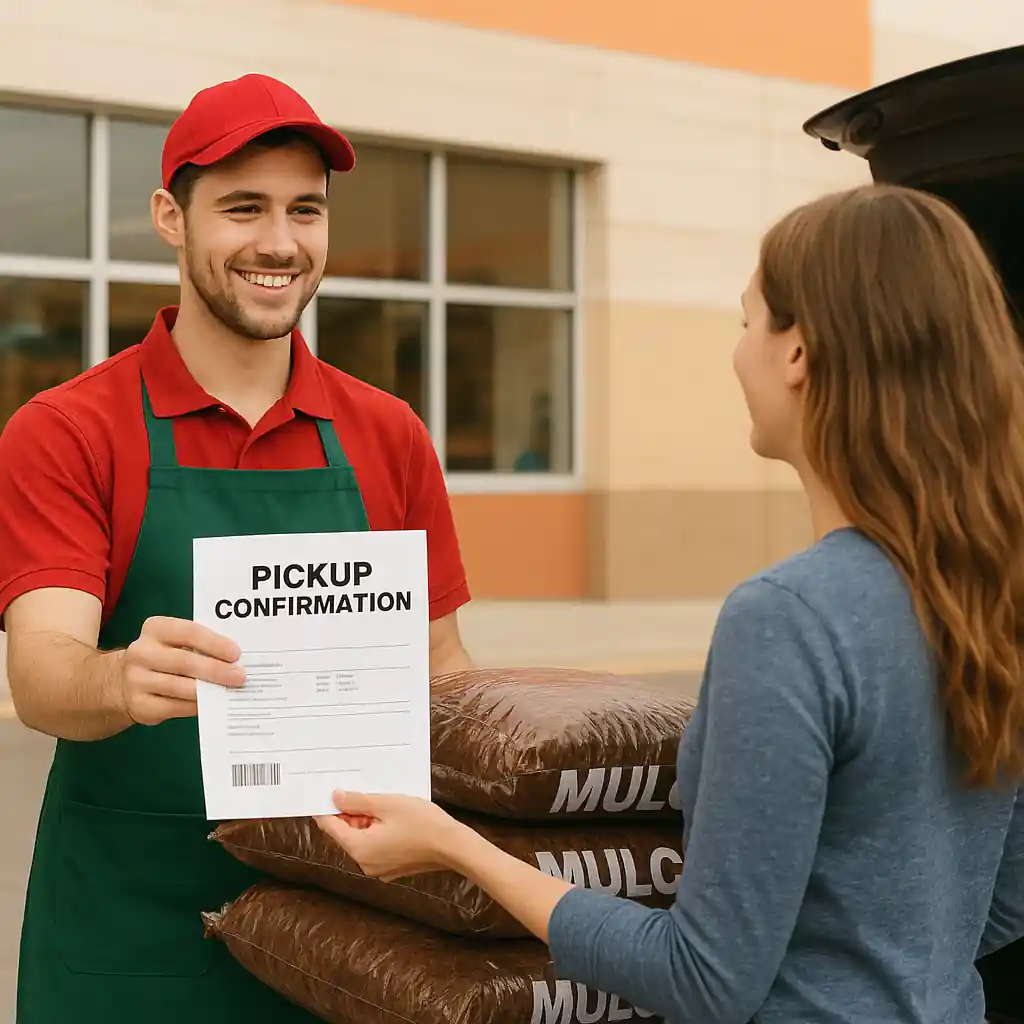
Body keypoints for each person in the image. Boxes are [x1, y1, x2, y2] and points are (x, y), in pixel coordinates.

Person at [318, 184, 1024, 1024]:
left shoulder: (789, 619)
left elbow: (702, 981)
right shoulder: (996, 588)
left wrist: (455, 848)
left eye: (747, 319)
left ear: (797, 352)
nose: (737, 351)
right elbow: (1004, 903)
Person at [0, 73, 473, 1023]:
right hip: (125, 941)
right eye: (243, 207)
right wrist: (122, 681)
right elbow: (43, 678)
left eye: (305, 210)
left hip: (346, 934)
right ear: (171, 218)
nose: (279, 242)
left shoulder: (389, 434)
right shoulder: (68, 431)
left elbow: (443, 675)